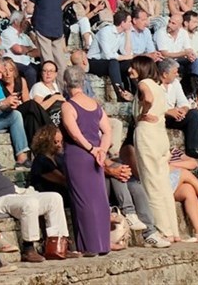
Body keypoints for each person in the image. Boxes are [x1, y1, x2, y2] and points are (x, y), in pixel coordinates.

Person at [0, 123, 75, 262]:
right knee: (30, 203)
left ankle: (58, 245)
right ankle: (29, 248)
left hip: (14, 193)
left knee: (54, 198)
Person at [60, 65, 112, 255]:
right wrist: (102, 151)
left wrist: (92, 149)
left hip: (78, 155)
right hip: (96, 156)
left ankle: (89, 245)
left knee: (83, 200)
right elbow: (107, 131)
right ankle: (102, 244)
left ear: (66, 83)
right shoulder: (95, 104)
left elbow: (74, 134)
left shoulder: (68, 105)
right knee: (98, 198)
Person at [132, 56, 182, 242]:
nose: (130, 71)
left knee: (152, 185)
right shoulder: (159, 86)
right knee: (163, 185)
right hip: (161, 136)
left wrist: (144, 112)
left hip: (148, 136)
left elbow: (148, 98)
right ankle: (174, 231)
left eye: (133, 68)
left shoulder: (144, 83)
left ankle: (163, 230)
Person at [87, 10, 135, 101]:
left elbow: (127, 53)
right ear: (122, 23)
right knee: (113, 62)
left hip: (109, 61)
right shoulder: (105, 32)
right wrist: (127, 57)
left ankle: (133, 92)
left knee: (129, 63)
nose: (131, 24)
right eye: (129, 21)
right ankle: (120, 94)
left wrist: (128, 34)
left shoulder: (122, 34)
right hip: (94, 62)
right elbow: (108, 55)